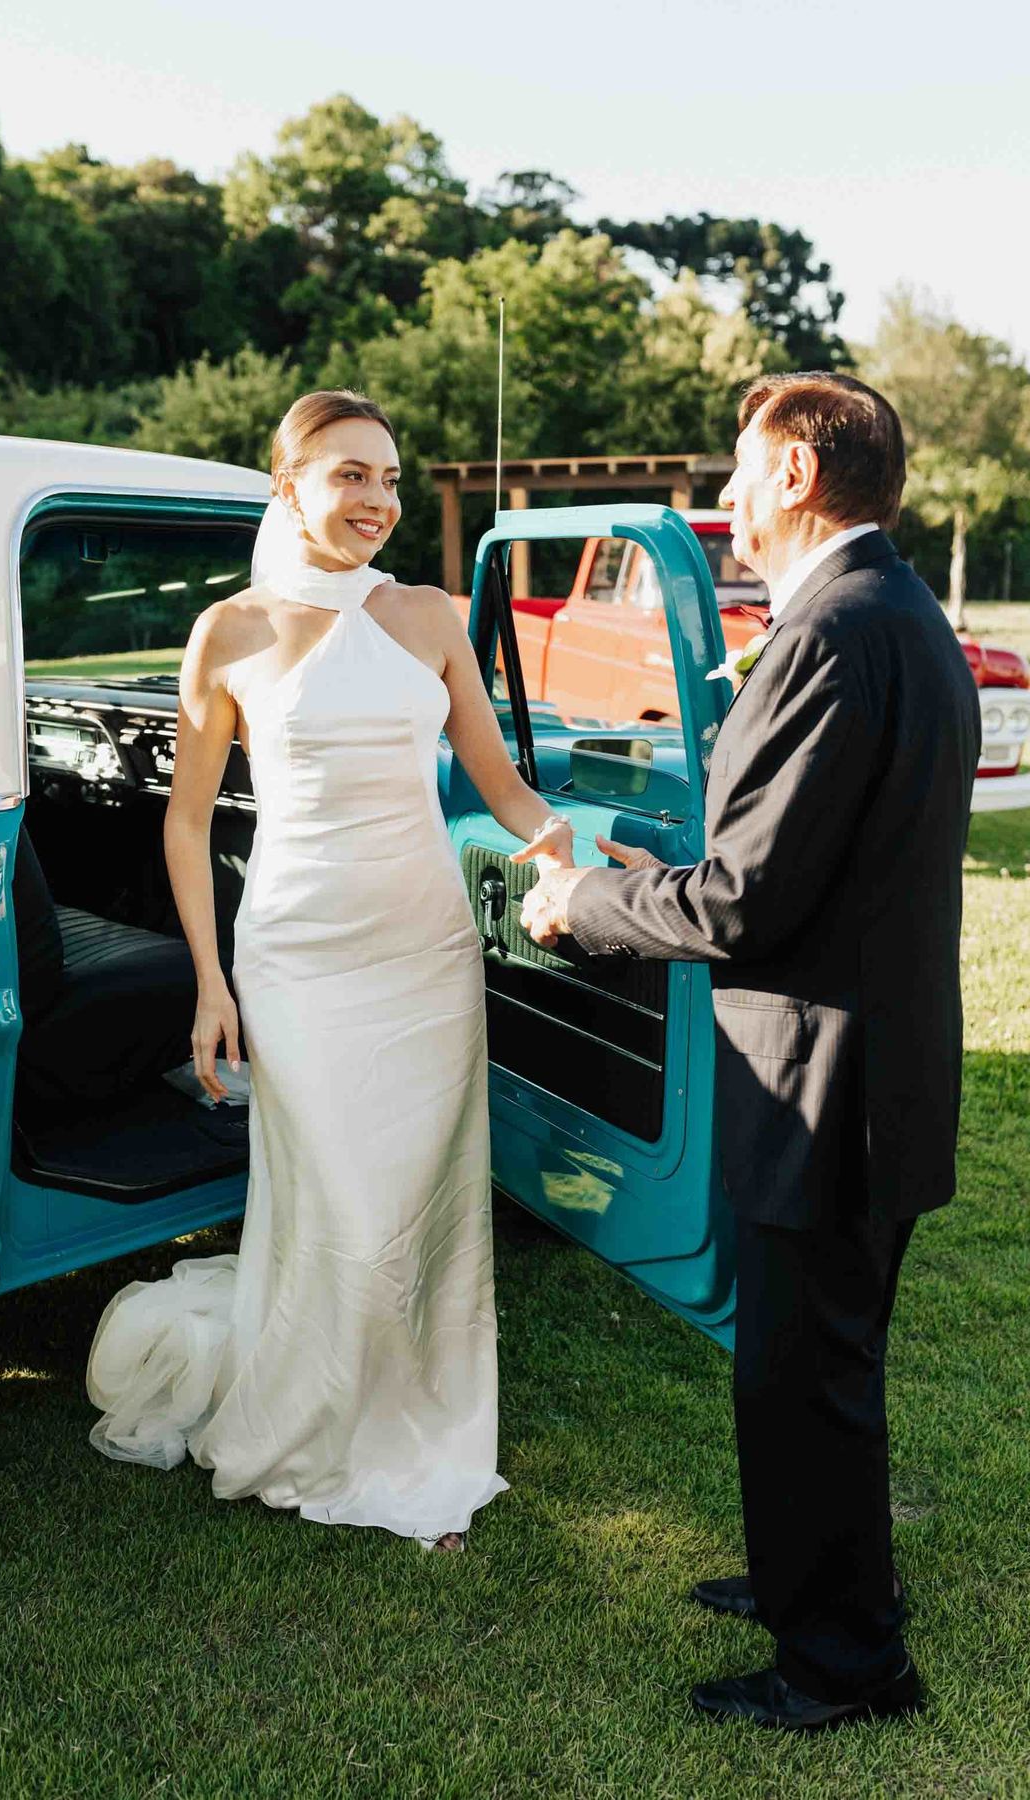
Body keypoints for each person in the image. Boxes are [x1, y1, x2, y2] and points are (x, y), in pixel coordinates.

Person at [518, 372, 980, 1725]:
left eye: (737, 471)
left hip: (824, 1082)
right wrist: (653, 866)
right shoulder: (894, 610)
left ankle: (845, 1666)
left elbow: (744, 905)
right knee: (810, 1369)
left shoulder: (834, 632)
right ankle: (810, 1579)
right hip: (863, 1064)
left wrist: (582, 904)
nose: (725, 500)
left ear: (793, 473)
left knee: (806, 1374)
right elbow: (806, 863)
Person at [86, 390, 574, 1552]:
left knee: (417, 1199)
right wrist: (212, 983)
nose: (378, 500)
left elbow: (499, 783)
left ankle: (415, 1426)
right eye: (351, 474)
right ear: (289, 486)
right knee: (339, 1199)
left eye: (390, 479)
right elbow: (185, 823)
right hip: (297, 955)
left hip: (425, 952)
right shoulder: (229, 632)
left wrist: (562, 847)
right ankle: (322, 1425)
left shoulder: (431, 615)